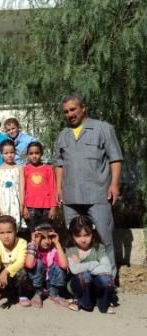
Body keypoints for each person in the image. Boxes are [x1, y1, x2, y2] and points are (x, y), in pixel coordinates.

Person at [54, 94, 123, 276]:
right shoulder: (63, 134)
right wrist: (58, 189)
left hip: (97, 194)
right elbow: (59, 164)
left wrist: (114, 184)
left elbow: (115, 158)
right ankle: (78, 279)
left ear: (84, 108)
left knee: (104, 237)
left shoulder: (103, 128)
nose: (69, 114)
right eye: (66, 112)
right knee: (73, 239)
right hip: (70, 196)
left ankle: (108, 278)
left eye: (73, 109)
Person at [66, 216, 116, 314]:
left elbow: (107, 268)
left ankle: (103, 305)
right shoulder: (71, 249)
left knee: (107, 279)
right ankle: (84, 302)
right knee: (84, 276)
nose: (83, 240)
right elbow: (75, 270)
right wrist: (95, 264)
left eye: (86, 235)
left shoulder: (98, 248)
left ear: (92, 234)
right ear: (72, 236)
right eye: (78, 236)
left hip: (96, 285)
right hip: (79, 285)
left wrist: (82, 265)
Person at [0, 215, 29, 306]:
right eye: (1, 233)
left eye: (9, 232)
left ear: (16, 231)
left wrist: (6, 271)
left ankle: (22, 294)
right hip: (1, 276)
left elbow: (21, 262)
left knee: (23, 271)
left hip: (14, 276)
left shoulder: (22, 242)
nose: (6, 236)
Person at [25, 223, 68, 308]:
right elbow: (29, 265)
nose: (47, 241)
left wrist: (57, 244)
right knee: (38, 263)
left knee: (58, 265)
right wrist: (33, 241)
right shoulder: (32, 248)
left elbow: (64, 266)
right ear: (35, 236)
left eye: (50, 237)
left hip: (50, 284)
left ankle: (54, 294)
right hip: (35, 285)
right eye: (43, 237)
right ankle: (37, 294)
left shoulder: (53, 250)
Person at [23, 142, 57, 232]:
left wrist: (53, 207)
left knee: (47, 232)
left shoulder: (48, 169)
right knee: (33, 232)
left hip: (47, 207)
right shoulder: (25, 169)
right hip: (31, 207)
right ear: (27, 155)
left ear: (41, 153)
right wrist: (24, 207)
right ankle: (33, 246)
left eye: (37, 153)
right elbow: (23, 189)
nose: (34, 156)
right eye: (31, 153)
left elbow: (53, 188)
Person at [0, 140, 25, 229]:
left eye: (12, 152)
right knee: (4, 225)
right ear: (1, 154)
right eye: (6, 153)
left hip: (16, 201)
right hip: (3, 202)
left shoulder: (19, 168)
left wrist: (22, 204)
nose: (9, 155)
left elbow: (22, 187)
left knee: (15, 225)